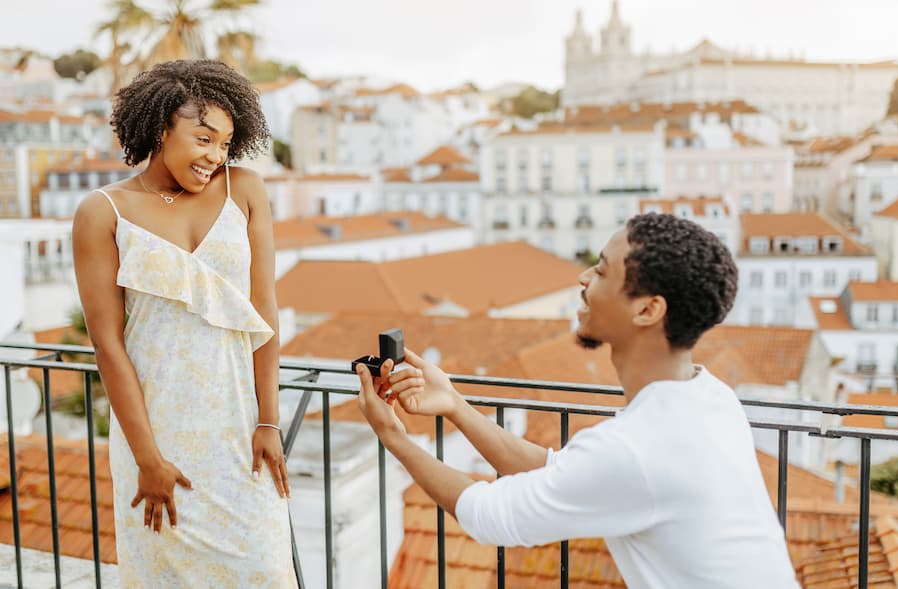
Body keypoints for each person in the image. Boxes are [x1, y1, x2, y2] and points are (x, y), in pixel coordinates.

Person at [356, 213, 799, 588]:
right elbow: (561, 472)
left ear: (648, 310)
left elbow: (488, 515)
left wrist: (392, 435)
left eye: (603, 271)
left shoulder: (636, 447)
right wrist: (454, 403)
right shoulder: (709, 399)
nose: (583, 278)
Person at [72, 60, 296, 588]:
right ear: (160, 129)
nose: (215, 156)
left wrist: (268, 420)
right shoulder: (102, 212)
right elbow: (109, 346)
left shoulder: (244, 189)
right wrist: (148, 460)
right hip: (155, 439)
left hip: (240, 434)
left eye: (225, 143)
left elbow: (265, 312)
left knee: (263, 568)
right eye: (203, 138)